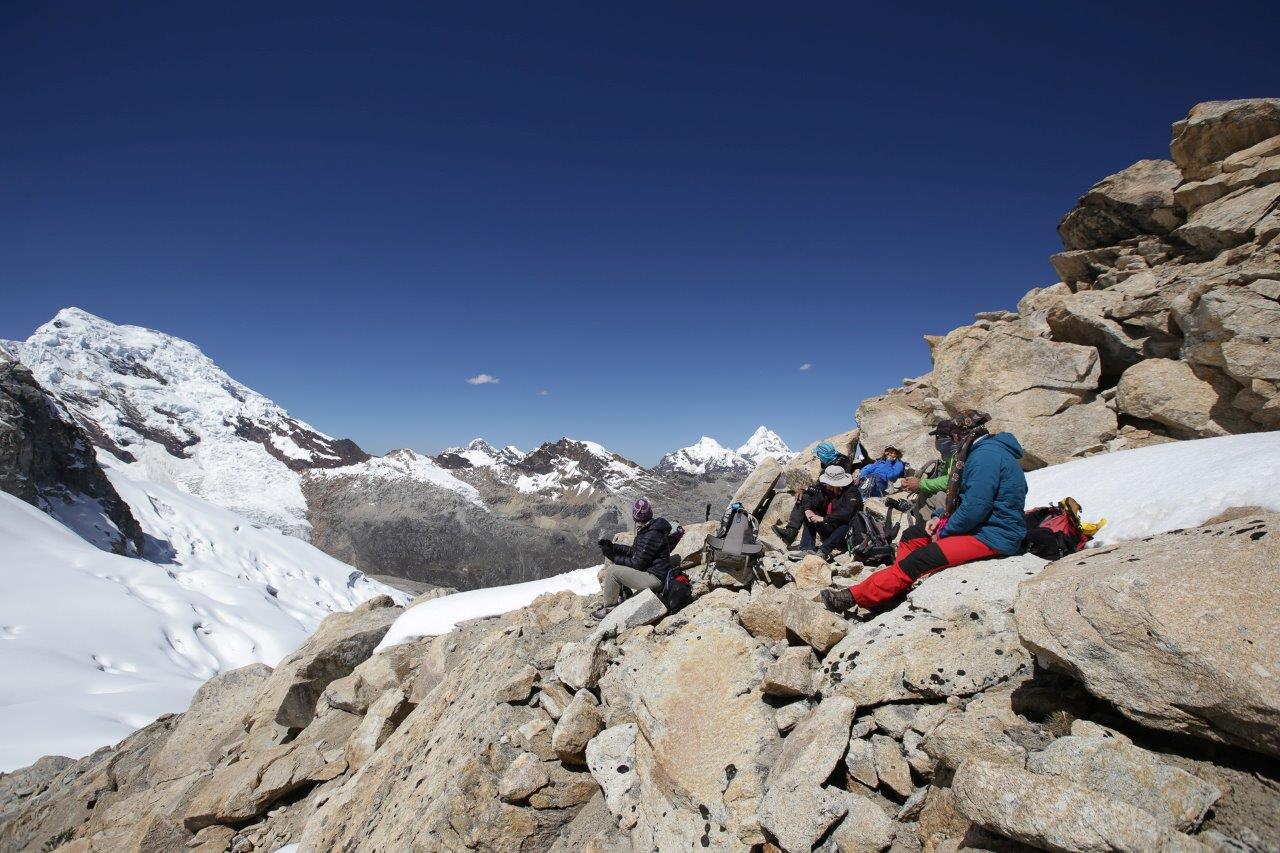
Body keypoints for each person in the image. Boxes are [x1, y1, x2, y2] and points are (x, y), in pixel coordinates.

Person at [821, 411, 1027, 614]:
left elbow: (975, 508)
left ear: (961, 434)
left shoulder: (985, 456)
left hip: (993, 535)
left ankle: (856, 596)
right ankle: (897, 585)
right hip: (982, 528)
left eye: (954, 436)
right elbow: (967, 499)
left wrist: (945, 532)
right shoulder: (984, 452)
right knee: (912, 535)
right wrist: (939, 516)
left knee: (920, 558)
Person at [593, 498, 674, 620]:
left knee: (612, 571)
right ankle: (622, 596)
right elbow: (634, 551)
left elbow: (638, 564)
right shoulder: (650, 529)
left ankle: (609, 609)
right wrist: (613, 547)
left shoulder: (651, 534)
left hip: (656, 579)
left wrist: (613, 556)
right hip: (653, 573)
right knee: (619, 567)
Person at [775, 465, 861, 560]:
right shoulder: (825, 488)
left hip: (841, 533)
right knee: (809, 514)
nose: (829, 487)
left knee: (847, 522)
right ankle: (807, 549)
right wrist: (808, 509)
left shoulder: (852, 492)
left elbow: (848, 513)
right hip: (827, 526)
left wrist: (823, 518)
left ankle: (823, 551)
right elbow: (809, 494)